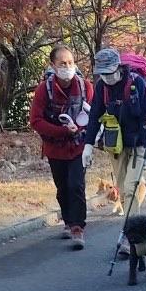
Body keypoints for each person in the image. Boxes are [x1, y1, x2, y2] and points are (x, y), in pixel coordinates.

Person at [84, 47, 146, 255]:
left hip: (139, 142)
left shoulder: (136, 83)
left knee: (132, 188)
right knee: (123, 192)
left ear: (118, 67)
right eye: (102, 73)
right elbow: (95, 114)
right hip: (116, 146)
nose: (107, 77)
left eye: (109, 72)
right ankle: (137, 233)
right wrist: (88, 145)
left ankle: (134, 240)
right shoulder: (101, 87)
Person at [30, 45, 93, 250]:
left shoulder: (85, 86)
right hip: (54, 147)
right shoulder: (44, 89)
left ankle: (78, 228)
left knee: (76, 185)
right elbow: (36, 121)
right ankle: (67, 221)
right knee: (62, 187)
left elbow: (94, 115)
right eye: (62, 63)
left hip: (78, 146)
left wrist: (79, 128)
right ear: (53, 66)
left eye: (70, 63)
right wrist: (63, 131)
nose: (67, 67)